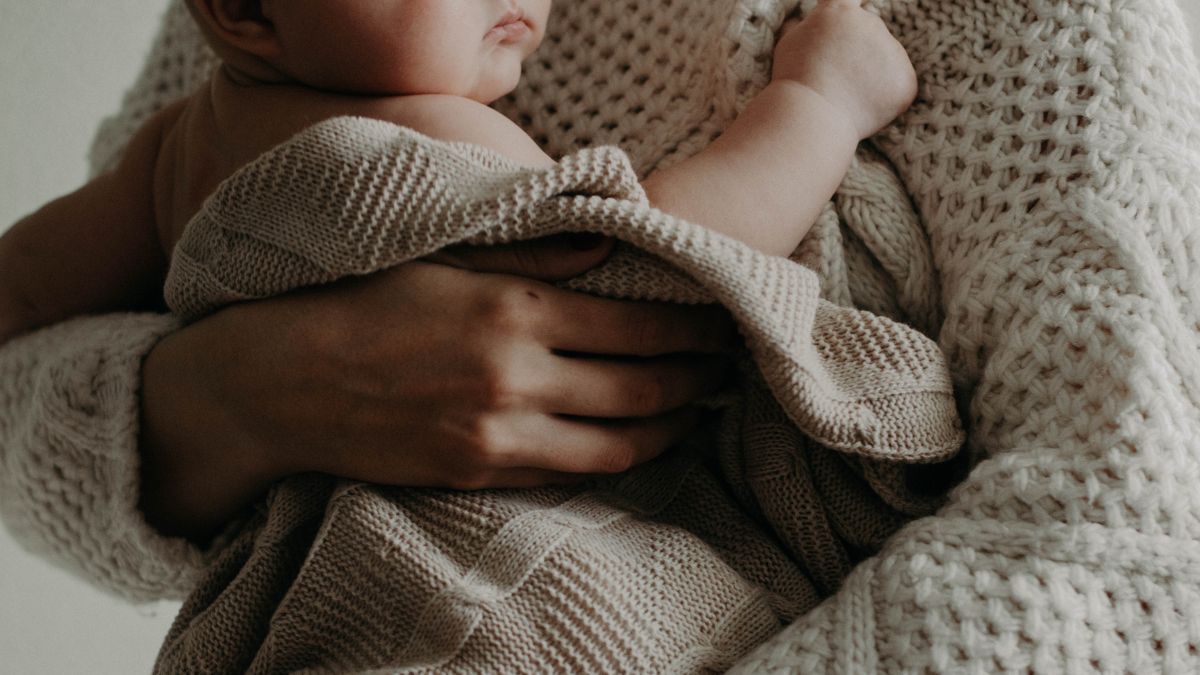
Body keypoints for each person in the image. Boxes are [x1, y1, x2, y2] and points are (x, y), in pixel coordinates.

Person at [0, 0, 915, 540]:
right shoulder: (429, 136)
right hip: (492, 553)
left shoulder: (169, 156)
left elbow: (24, 293)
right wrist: (816, 106)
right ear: (243, 10)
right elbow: (663, 262)